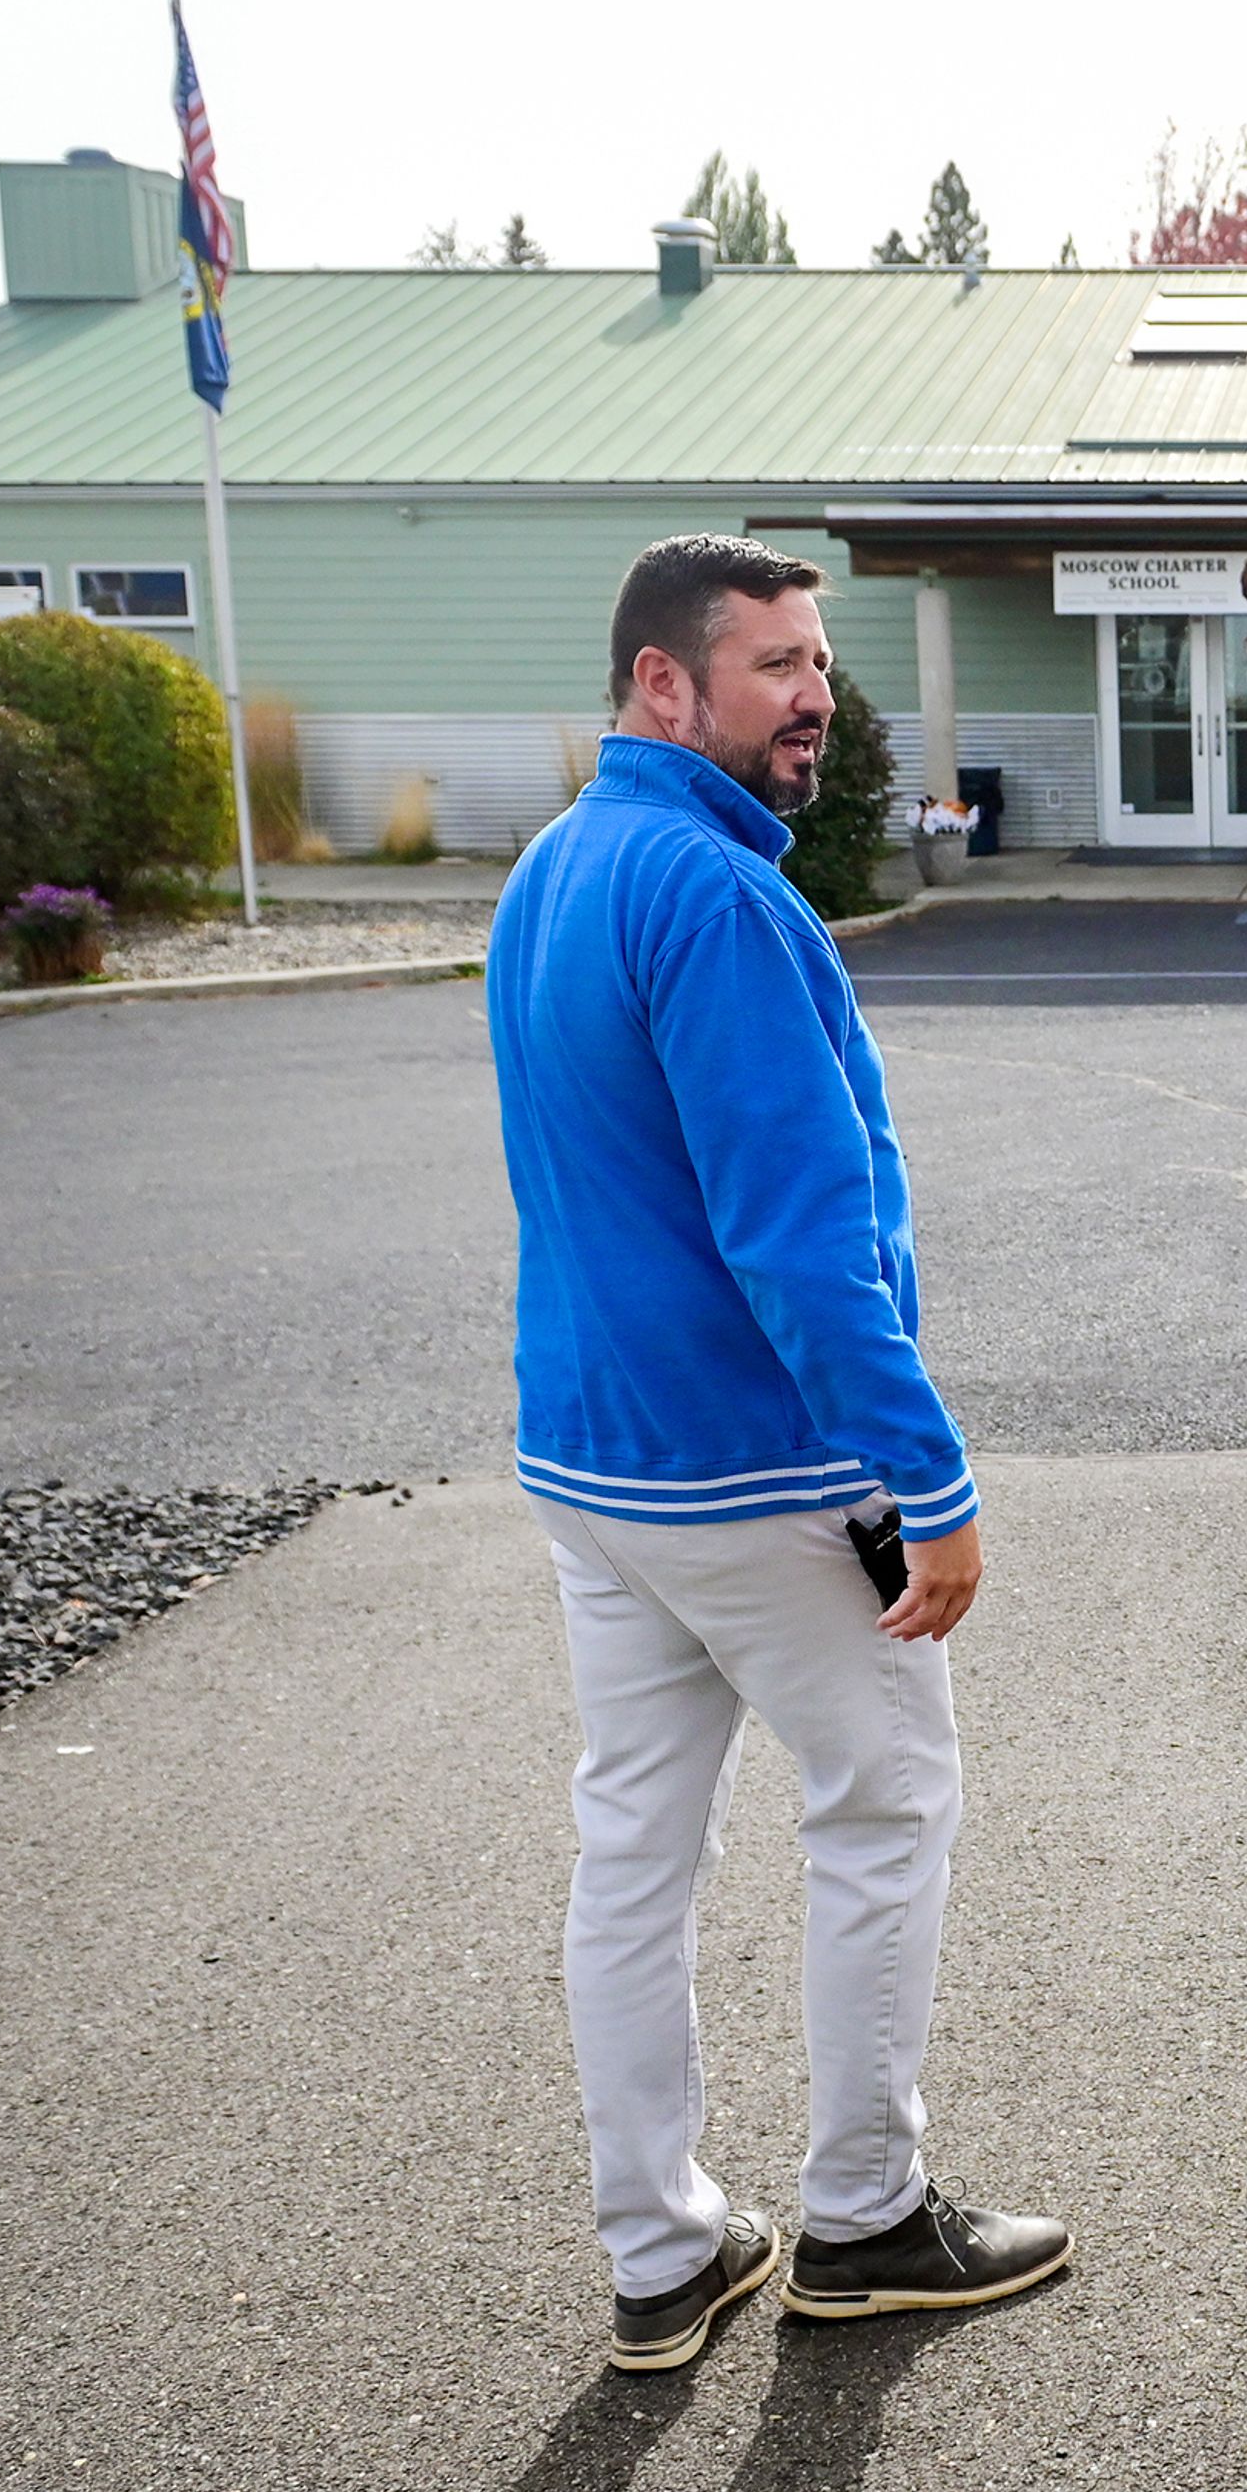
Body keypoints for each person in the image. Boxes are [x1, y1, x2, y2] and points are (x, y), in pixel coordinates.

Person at [486, 534, 1066, 2373]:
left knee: (632, 1854)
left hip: (596, 1471)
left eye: (820, 665)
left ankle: (662, 2254)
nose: (815, 699)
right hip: (748, 1473)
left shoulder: (555, 872)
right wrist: (934, 1483)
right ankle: (866, 2223)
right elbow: (800, 1241)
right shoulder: (722, 903)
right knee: (884, 1806)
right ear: (665, 685)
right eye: (774, 669)